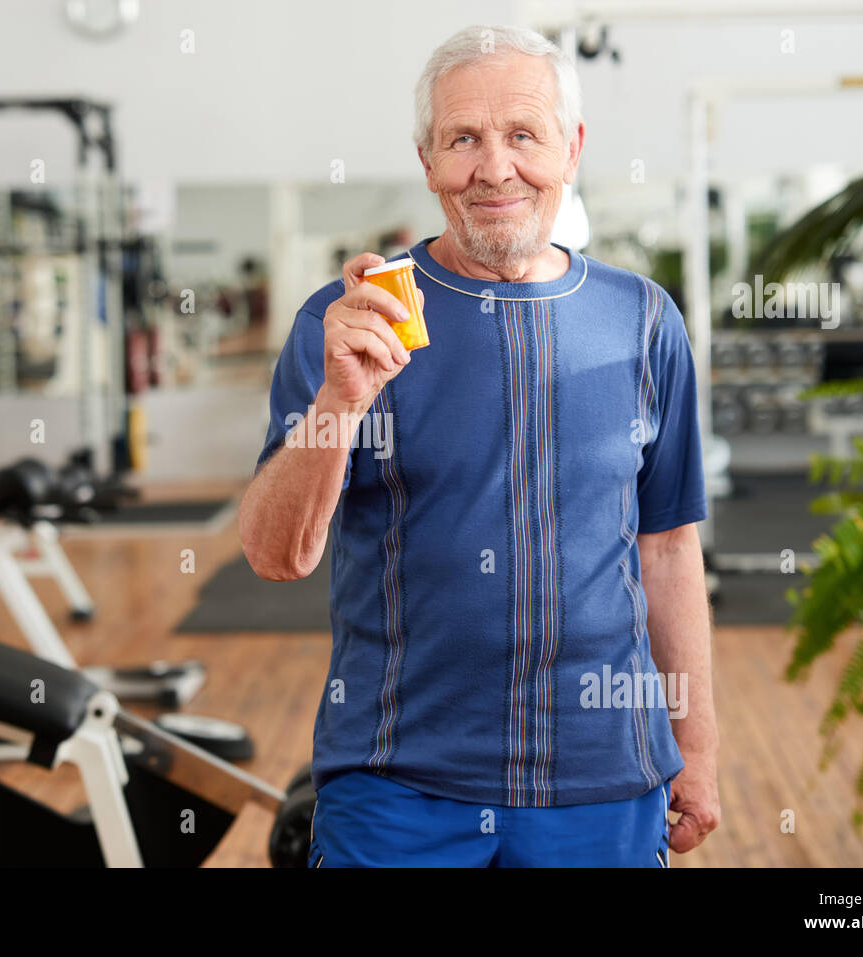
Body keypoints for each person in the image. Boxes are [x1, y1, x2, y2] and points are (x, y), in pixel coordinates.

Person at [239, 24, 721, 867]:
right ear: (426, 160)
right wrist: (341, 399)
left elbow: (670, 549)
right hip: (396, 783)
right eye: (463, 138)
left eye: (523, 135)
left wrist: (699, 747)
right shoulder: (344, 324)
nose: (495, 167)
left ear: (571, 150)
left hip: (604, 776)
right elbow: (276, 555)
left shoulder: (644, 322)